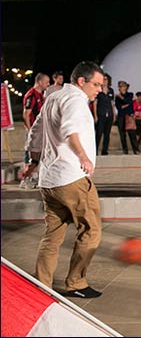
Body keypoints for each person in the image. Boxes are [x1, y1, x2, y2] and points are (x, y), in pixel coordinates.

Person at [23, 61, 105, 298]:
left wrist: (34, 160)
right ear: (82, 81)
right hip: (71, 178)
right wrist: (83, 157)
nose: (99, 89)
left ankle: (42, 285)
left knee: (52, 236)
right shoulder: (76, 100)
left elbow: (36, 131)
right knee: (91, 230)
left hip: (49, 180)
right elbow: (70, 130)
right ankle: (76, 282)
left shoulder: (53, 98)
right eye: (96, 84)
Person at [21, 73, 50, 188]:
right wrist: (30, 131)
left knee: (42, 157)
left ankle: (35, 177)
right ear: (40, 82)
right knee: (34, 159)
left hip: (40, 131)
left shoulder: (41, 95)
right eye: (46, 82)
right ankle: (25, 178)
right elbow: (26, 114)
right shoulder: (31, 95)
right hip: (34, 132)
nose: (48, 84)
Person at [115, 81, 140, 155]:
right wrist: (125, 104)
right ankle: (125, 150)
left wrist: (122, 100)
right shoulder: (117, 97)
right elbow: (119, 107)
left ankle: (136, 149)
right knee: (122, 134)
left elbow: (127, 101)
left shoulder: (130, 94)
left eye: (123, 86)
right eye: (120, 86)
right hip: (121, 116)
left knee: (132, 134)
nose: (121, 88)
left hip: (129, 116)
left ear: (126, 87)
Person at [93, 76, 115, 156]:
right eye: (104, 79)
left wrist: (114, 114)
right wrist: (95, 116)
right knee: (99, 133)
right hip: (101, 114)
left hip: (109, 114)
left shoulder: (111, 91)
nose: (105, 81)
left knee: (107, 133)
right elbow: (95, 103)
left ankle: (104, 150)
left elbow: (112, 104)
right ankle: (95, 150)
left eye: (106, 79)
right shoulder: (98, 90)